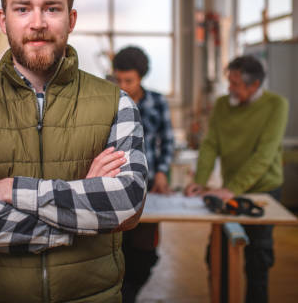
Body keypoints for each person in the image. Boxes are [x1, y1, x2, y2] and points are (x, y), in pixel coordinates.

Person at [0, 0, 148, 303]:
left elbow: (125, 202)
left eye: (51, 8)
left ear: (71, 18)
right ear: (3, 20)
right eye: (22, 9)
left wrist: (9, 190)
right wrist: (81, 210)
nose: (37, 23)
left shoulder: (117, 104)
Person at [185, 55, 288, 303]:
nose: (229, 88)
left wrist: (232, 189)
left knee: (258, 260)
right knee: (217, 256)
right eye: (228, 81)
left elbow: (264, 156)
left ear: (254, 85)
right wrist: (199, 179)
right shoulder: (222, 105)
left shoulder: (276, 105)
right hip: (229, 190)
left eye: (235, 84)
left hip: (263, 191)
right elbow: (210, 145)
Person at [112, 46, 175, 303]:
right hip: (114, 183)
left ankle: (129, 294)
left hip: (148, 185)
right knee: (117, 246)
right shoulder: (108, 99)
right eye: (118, 80)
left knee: (145, 250)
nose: (123, 86)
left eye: (129, 81)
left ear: (142, 77)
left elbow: (167, 141)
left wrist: (162, 172)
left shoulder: (158, 102)